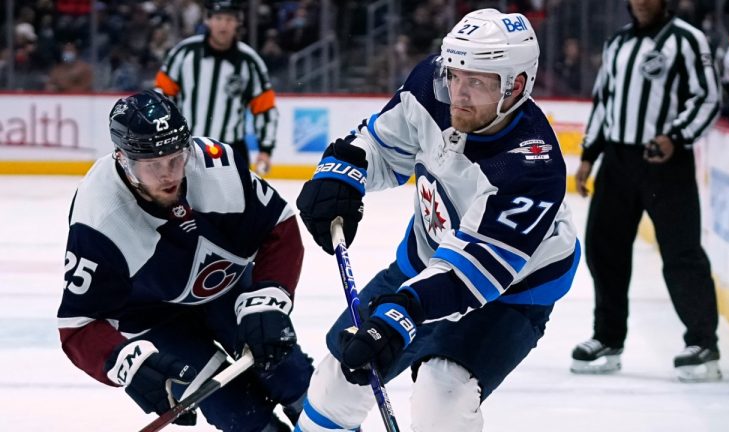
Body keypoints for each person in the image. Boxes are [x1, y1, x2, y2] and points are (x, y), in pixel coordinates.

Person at [295, 9, 580, 431]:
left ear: (516, 86)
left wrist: (401, 314)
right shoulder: (434, 85)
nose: (459, 94)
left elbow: (474, 271)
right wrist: (343, 172)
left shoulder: (530, 165)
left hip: (513, 290)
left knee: (441, 397)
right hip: (426, 258)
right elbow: (383, 144)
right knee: (336, 382)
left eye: (478, 83)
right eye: (456, 76)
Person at [56, 90, 313, 431]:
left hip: (226, 285)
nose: (169, 175)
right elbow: (78, 326)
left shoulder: (217, 165)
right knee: (235, 411)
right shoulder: (98, 221)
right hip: (153, 317)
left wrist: (268, 297)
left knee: (288, 371)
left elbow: (279, 225)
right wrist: (124, 362)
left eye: (176, 158)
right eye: (152, 165)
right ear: (123, 159)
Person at [571, 0, 721, 382]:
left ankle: (703, 342)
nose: (641, 2)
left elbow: (707, 97)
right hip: (617, 162)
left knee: (681, 252)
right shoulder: (617, 42)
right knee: (604, 250)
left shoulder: (688, 40)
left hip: (665, 164)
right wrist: (589, 155)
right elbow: (604, 101)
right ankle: (608, 337)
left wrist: (676, 136)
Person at [155, 0, 277, 173]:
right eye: (218, 18)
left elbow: (265, 107)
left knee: (236, 200)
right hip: (187, 147)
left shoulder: (250, 61)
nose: (223, 25)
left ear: (238, 22)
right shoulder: (184, 53)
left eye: (229, 19)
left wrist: (265, 149)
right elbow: (162, 98)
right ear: (207, 20)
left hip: (232, 149)